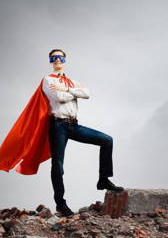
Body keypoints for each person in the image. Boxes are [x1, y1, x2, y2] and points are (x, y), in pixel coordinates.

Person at [43, 49, 124, 217]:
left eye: (60, 57)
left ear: (64, 60)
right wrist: (71, 91)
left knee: (107, 140)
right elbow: (59, 97)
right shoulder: (47, 80)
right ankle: (61, 204)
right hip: (58, 125)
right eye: (54, 57)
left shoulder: (71, 81)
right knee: (58, 166)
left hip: (73, 125)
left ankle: (103, 179)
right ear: (51, 61)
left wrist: (67, 88)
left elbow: (87, 93)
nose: (57, 60)